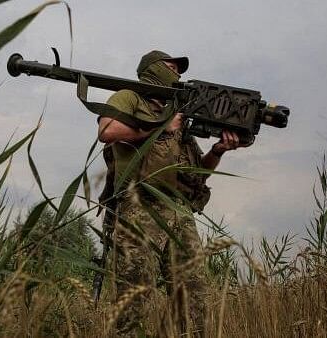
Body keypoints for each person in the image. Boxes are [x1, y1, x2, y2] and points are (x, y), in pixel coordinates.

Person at [97, 50, 247, 336]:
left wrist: (218, 151)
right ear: (151, 69)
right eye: (170, 67)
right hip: (140, 206)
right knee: (135, 295)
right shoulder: (130, 97)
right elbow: (107, 130)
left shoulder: (180, 115)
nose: (177, 73)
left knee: (193, 297)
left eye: (179, 69)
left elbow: (197, 171)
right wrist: (160, 128)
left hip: (180, 211)